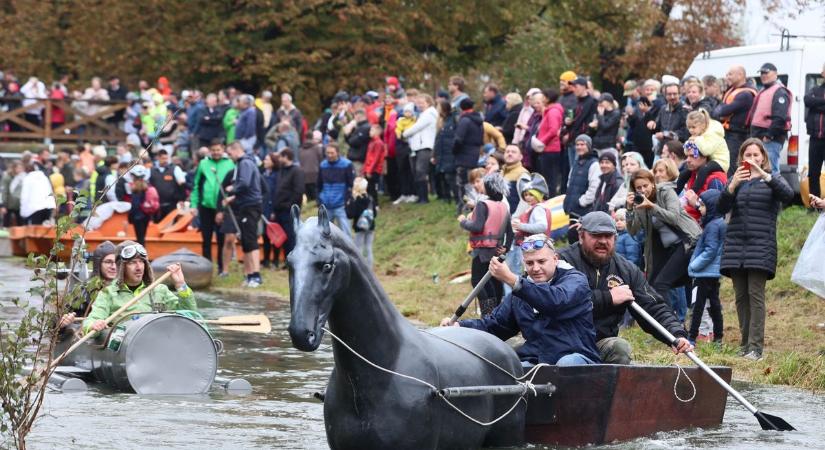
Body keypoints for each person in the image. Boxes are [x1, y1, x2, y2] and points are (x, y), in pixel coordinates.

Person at [441, 233, 601, 366]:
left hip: (577, 358)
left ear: (555, 259)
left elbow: (554, 302)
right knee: (517, 370)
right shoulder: (520, 294)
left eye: (541, 261)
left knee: (566, 365)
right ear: (524, 264)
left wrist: (512, 280)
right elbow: (495, 326)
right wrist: (460, 326)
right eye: (530, 263)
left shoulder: (576, 281)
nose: (536, 268)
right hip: (536, 359)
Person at [557, 212, 693, 364]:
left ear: (615, 238)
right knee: (569, 363)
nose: (603, 241)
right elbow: (559, 301)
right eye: (596, 235)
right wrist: (609, 298)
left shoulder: (626, 270)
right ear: (581, 236)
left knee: (620, 348)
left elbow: (653, 307)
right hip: (562, 343)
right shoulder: (562, 262)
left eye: (608, 236)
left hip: (599, 344)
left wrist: (675, 334)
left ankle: (610, 386)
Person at [719, 138, 793, 360]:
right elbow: (720, 208)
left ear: (763, 157)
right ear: (741, 158)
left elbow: (788, 195)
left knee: (755, 295)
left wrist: (766, 176)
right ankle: (744, 345)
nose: (752, 160)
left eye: (756, 155)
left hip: (761, 245)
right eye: (747, 156)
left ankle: (755, 348)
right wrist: (731, 186)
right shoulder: (737, 181)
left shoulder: (773, 179)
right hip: (735, 245)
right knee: (741, 297)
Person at [82, 241, 196, 333]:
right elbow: (90, 321)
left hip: (161, 343)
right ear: (121, 267)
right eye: (132, 263)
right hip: (129, 348)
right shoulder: (108, 293)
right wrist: (93, 325)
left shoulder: (160, 290)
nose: (139, 267)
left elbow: (190, 315)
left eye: (141, 262)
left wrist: (181, 285)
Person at [626, 169, 700, 309]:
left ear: (652, 183)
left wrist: (652, 206)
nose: (643, 190)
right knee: (653, 285)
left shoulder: (665, 191)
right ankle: (669, 325)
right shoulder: (640, 202)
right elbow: (633, 230)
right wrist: (630, 209)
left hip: (686, 242)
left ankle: (672, 326)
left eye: (645, 186)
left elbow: (674, 217)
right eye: (638, 188)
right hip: (665, 250)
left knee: (661, 284)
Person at [458, 172, 513, 316]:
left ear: (488, 187)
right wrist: (505, 248)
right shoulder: (503, 206)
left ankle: (488, 313)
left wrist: (463, 221)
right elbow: (510, 233)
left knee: (478, 280)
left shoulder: (483, 204)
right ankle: (496, 312)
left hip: (482, 250)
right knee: (494, 280)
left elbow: (477, 227)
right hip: (496, 250)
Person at [190, 141, 235, 273]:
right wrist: (194, 204)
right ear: (210, 150)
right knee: (206, 238)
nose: (216, 152)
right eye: (213, 150)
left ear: (223, 149)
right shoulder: (203, 164)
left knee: (221, 239)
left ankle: (222, 267)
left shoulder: (230, 163)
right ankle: (206, 267)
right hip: (206, 206)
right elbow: (196, 185)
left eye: (218, 150)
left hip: (222, 207)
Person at [687, 189, 725, 346]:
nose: (700, 208)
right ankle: (718, 338)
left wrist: (693, 266)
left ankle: (691, 338)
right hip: (714, 274)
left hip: (703, 274)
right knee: (715, 306)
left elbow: (710, 251)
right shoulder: (719, 223)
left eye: (702, 205)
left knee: (697, 306)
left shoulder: (712, 226)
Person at [224, 141, 264, 287]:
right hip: (245, 204)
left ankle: (256, 276)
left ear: (236, 150)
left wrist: (232, 189)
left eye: (229, 154)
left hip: (250, 206)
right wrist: (232, 198)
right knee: (246, 241)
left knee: (251, 240)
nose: (229, 157)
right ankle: (250, 275)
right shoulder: (244, 163)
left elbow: (245, 184)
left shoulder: (245, 163)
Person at [58, 241, 118, 328]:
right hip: (90, 335)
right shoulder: (82, 291)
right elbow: (58, 324)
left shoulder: (125, 289)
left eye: (116, 262)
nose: (113, 266)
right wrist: (63, 323)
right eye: (108, 262)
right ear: (98, 264)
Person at [746, 63, 792, 176]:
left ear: (775, 74)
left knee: (771, 171)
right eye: (761, 73)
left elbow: (780, 117)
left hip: (771, 138)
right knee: (761, 171)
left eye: (766, 72)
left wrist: (769, 135)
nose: (763, 75)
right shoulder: (764, 90)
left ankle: (776, 194)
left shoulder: (779, 91)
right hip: (760, 137)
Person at [712, 65, 757, 176]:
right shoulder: (733, 91)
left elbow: (721, 111)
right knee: (729, 164)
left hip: (739, 136)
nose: (727, 77)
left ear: (741, 75)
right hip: (729, 134)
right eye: (727, 74)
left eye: (730, 74)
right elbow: (717, 111)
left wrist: (721, 112)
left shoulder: (745, 94)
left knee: (734, 165)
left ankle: (733, 191)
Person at [675, 110, 729, 194]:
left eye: (693, 127)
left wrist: (696, 139)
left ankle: (692, 193)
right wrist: (689, 142)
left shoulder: (712, 134)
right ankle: (674, 194)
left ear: (703, 126)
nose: (691, 130)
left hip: (720, 161)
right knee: (684, 173)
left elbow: (706, 151)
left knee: (703, 170)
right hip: (709, 160)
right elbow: (687, 152)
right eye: (689, 127)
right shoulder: (698, 135)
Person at [562, 135, 600, 242]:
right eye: (577, 144)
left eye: (582, 144)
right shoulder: (576, 162)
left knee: (582, 240)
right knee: (572, 239)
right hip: (573, 209)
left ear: (588, 146)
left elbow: (594, 188)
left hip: (583, 210)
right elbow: (569, 183)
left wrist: (582, 201)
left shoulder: (594, 164)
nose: (579, 147)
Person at [402, 94, 438, 204]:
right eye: (418, 103)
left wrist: (405, 133)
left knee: (420, 171)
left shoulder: (429, 114)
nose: (420, 105)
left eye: (422, 102)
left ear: (428, 102)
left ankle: (424, 198)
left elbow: (416, 127)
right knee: (417, 172)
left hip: (425, 146)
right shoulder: (422, 114)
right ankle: (421, 197)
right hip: (419, 146)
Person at [681, 141, 728, 222]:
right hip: (688, 221)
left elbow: (717, 215)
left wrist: (696, 204)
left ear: (705, 157)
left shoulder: (715, 180)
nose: (688, 160)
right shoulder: (692, 174)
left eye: (693, 156)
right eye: (687, 156)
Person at [452, 98, 484, 214]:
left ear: (461, 108)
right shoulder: (478, 121)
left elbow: (458, 139)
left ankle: (463, 207)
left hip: (463, 156)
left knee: (462, 183)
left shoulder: (464, 120)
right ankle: (474, 206)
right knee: (472, 182)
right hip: (474, 154)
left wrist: (454, 151)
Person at [318, 143, 355, 238]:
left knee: (346, 235)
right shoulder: (323, 165)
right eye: (327, 153)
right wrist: (319, 199)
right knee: (324, 235)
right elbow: (319, 184)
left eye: (332, 153)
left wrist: (347, 200)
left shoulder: (347, 165)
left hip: (341, 205)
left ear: (337, 153)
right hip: (326, 205)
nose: (329, 155)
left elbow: (351, 184)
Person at [272, 148, 304, 255]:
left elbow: (298, 191)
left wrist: (289, 205)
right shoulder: (281, 170)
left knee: (291, 236)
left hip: (289, 210)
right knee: (282, 236)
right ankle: (285, 258)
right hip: (279, 209)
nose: (279, 159)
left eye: (280, 156)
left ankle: (293, 260)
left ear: (286, 157)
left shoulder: (297, 171)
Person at [534, 89, 565, 197]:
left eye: (543, 97)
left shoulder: (553, 112)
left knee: (550, 180)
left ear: (547, 98)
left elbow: (553, 130)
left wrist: (541, 141)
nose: (541, 100)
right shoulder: (549, 111)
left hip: (550, 149)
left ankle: (551, 200)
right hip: (547, 149)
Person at [804, 62, 825, 200]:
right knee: (813, 173)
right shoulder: (815, 89)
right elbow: (807, 101)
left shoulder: (815, 93)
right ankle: (814, 203)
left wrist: (817, 104)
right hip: (815, 138)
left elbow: (813, 103)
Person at [345, 177, 377, 267]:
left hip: (359, 228)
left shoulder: (356, 200)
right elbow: (374, 214)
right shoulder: (370, 198)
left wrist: (348, 204)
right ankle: (369, 268)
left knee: (358, 249)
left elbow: (350, 215)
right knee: (368, 248)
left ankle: (360, 268)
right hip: (370, 227)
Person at [150, 149, 187, 221]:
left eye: (167, 158)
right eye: (163, 158)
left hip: (172, 204)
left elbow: (182, 184)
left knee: (171, 225)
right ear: (158, 158)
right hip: (157, 205)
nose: (165, 161)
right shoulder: (151, 170)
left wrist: (182, 199)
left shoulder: (175, 169)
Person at [433, 98, 458, 203]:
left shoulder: (453, 120)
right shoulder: (441, 121)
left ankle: (458, 199)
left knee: (451, 177)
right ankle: (446, 198)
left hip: (450, 154)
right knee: (444, 177)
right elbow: (438, 140)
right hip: (442, 154)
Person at [127, 165, 159, 245]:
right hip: (146, 216)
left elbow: (135, 205)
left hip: (137, 217)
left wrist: (130, 217)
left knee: (140, 239)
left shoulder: (136, 188)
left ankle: (142, 256)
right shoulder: (146, 186)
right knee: (142, 237)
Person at [626, 96, 656, 168]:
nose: (639, 106)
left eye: (641, 104)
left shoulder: (651, 114)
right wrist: (630, 116)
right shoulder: (637, 114)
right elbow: (632, 125)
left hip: (647, 146)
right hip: (637, 144)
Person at [363, 124, 386, 206]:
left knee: (372, 187)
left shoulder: (378, 143)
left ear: (378, 132)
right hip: (369, 168)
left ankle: (375, 204)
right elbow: (368, 156)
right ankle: (370, 203)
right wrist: (365, 169)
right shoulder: (372, 142)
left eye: (372, 130)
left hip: (374, 170)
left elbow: (376, 158)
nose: (370, 132)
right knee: (368, 187)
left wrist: (369, 170)